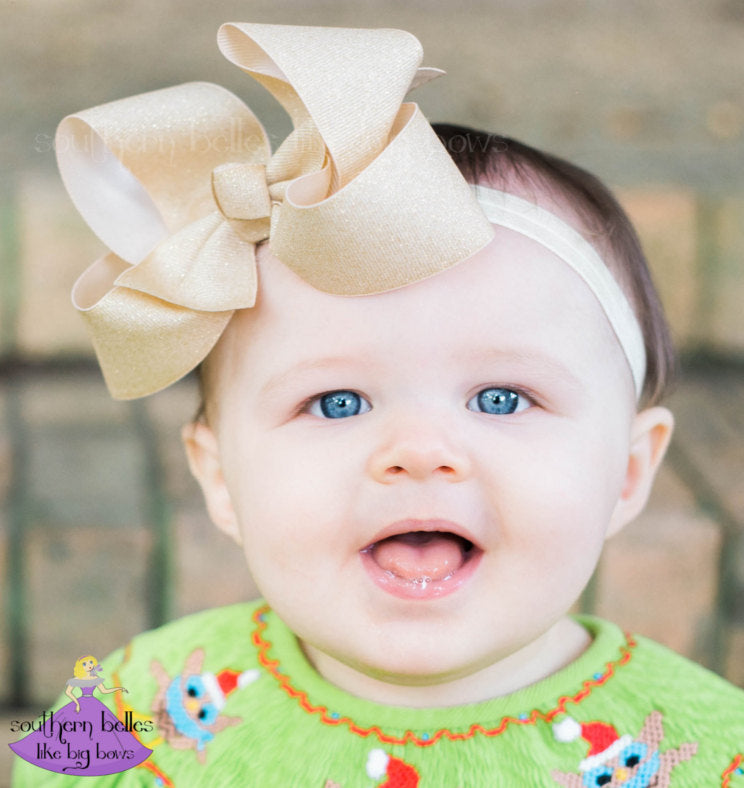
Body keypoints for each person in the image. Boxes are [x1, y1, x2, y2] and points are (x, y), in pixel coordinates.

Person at [12, 21, 743, 788]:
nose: (419, 448)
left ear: (627, 472)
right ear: (220, 475)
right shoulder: (132, 699)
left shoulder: (711, 750)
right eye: (334, 402)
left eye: (500, 398)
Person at [9, 656, 150, 777]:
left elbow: (105, 690)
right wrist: (76, 702)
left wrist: (119, 689)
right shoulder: (76, 680)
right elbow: (70, 693)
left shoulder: (96, 679)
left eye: (90, 664)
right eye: (85, 664)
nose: (88, 666)